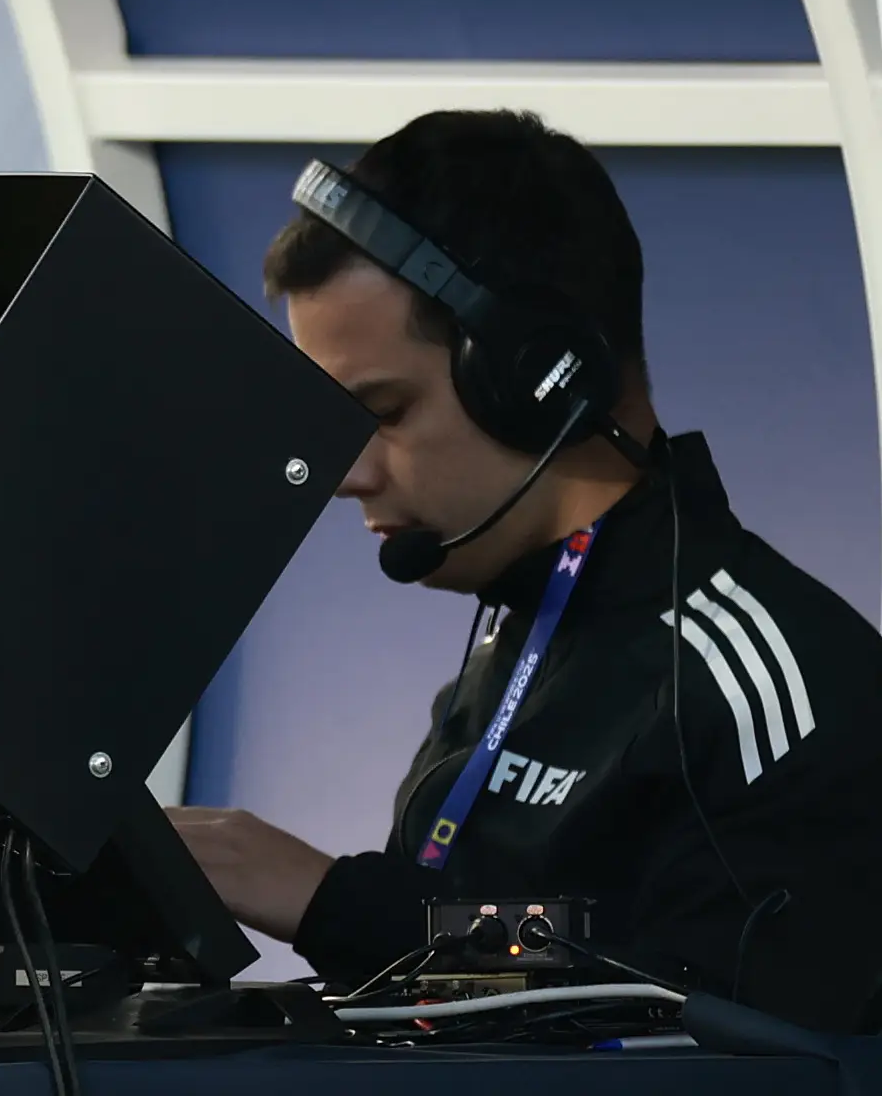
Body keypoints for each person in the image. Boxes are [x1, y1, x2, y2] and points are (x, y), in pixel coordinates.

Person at [171, 111, 882, 1029]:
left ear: (543, 378)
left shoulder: (769, 686)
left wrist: (333, 903)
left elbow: (701, 1014)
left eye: (381, 411)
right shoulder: (517, 641)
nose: (347, 473)